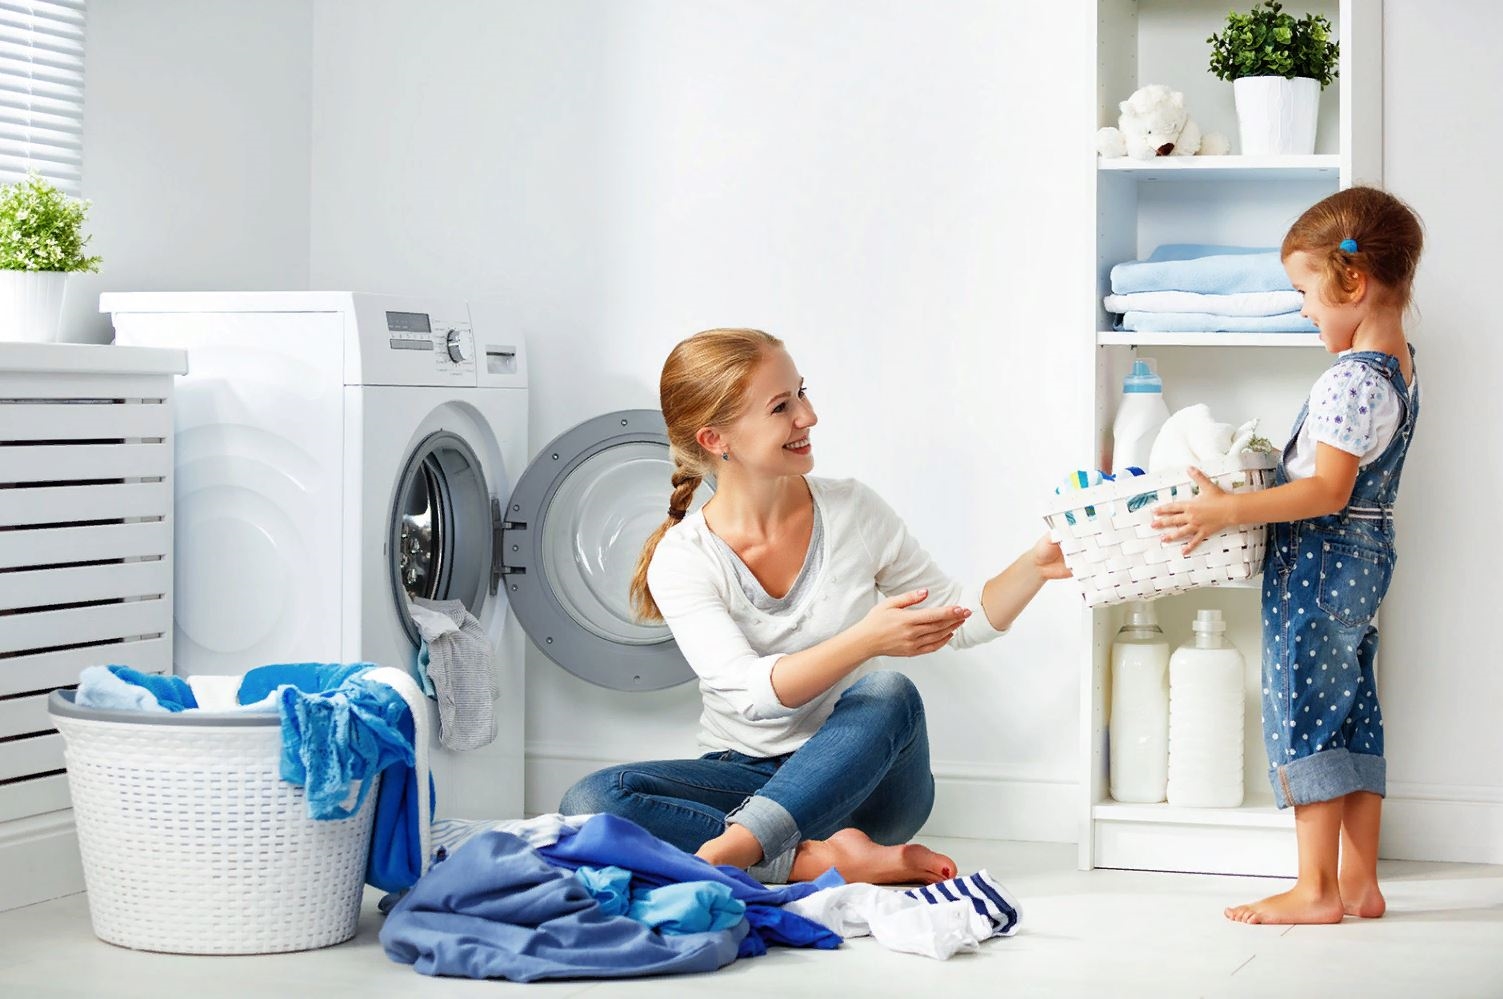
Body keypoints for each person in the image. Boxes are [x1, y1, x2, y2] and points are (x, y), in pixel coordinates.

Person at [560, 327, 1069, 885]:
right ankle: (812, 861)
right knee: (591, 799)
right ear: (714, 439)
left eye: (801, 393)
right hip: (744, 776)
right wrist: (865, 640)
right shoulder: (683, 559)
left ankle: (737, 851)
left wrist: (1036, 566)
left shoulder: (854, 510)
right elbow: (753, 698)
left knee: (887, 692)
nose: (809, 416)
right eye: (782, 406)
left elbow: (958, 619)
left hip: (868, 785)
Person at [1152, 186, 1424, 924]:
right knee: (1352, 710)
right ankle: (1359, 882)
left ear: (1351, 282)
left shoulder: (1345, 379)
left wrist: (1226, 510)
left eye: (1304, 289)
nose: (1302, 308)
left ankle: (1314, 888)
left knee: (1305, 712)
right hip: (1365, 559)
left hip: (1319, 560)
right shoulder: (1398, 368)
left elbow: (1326, 491)